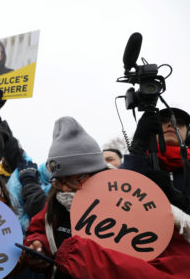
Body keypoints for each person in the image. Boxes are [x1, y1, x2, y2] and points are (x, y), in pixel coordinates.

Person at [24, 116, 190, 279]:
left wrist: (86, 258)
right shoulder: (58, 200)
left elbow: (171, 270)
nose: (66, 188)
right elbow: (39, 229)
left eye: (74, 180)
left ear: (98, 174)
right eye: (58, 181)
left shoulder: (136, 205)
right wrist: (39, 245)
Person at [121, 107, 190, 213]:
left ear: (188, 134)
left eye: (178, 123)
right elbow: (119, 195)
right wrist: (137, 148)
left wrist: (179, 200)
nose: (171, 124)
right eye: (162, 121)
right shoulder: (138, 160)